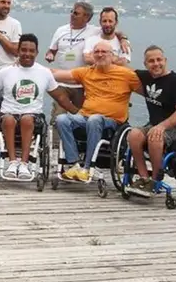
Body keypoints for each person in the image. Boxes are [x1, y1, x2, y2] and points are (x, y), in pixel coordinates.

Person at [0, 33, 79, 178]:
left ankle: (24, 163)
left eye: (31, 51)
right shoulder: (6, 72)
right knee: (9, 120)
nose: (27, 54)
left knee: (27, 119)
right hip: (8, 113)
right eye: (23, 50)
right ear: (18, 51)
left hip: (32, 115)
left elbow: (59, 95)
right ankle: (13, 162)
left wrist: (75, 112)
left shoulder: (44, 72)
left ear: (36, 52)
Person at [50, 40, 141, 182]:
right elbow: (57, 74)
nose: (100, 54)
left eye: (104, 52)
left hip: (112, 122)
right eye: (96, 52)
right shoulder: (87, 72)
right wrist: (30, 68)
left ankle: (87, 167)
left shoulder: (126, 75)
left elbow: (147, 90)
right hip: (85, 117)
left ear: (112, 55)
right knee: (61, 119)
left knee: (94, 119)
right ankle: (74, 164)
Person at [44, 1, 130, 150]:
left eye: (76, 13)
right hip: (62, 82)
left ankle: (81, 150)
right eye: (72, 11)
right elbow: (52, 50)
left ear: (87, 17)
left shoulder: (94, 31)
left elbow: (112, 30)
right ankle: (56, 151)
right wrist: (50, 54)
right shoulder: (60, 30)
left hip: (83, 85)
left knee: (80, 119)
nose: (72, 15)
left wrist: (123, 39)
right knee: (58, 116)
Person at [126, 45, 176, 196]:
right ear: (145, 64)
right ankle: (144, 177)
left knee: (155, 135)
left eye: (159, 60)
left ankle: (155, 180)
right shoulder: (145, 77)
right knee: (133, 134)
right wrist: (121, 37)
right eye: (151, 61)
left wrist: (161, 126)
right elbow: (122, 67)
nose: (156, 63)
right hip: (155, 124)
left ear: (165, 61)